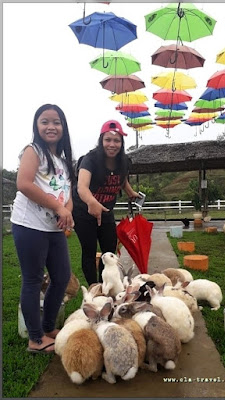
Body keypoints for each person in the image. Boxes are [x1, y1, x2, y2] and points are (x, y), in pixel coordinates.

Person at [11, 104, 75, 354]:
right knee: (33, 279)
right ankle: (35, 339)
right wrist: (58, 209)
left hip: (53, 228)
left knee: (61, 277)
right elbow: (24, 184)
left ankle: (49, 328)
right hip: (29, 225)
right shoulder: (33, 151)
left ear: (63, 127)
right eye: (45, 121)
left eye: (56, 122)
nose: (51, 126)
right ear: (37, 126)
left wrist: (66, 210)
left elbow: (67, 192)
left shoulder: (62, 159)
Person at [72, 120, 139, 285]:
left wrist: (130, 191)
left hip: (106, 211)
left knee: (109, 252)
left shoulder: (123, 161)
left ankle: (105, 285)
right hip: (83, 211)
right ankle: (94, 288)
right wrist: (92, 202)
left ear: (121, 143)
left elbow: (121, 178)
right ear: (101, 141)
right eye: (108, 140)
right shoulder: (90, 160)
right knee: (89, 251)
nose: (112, 144)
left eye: (116, 141)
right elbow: (82, 186)